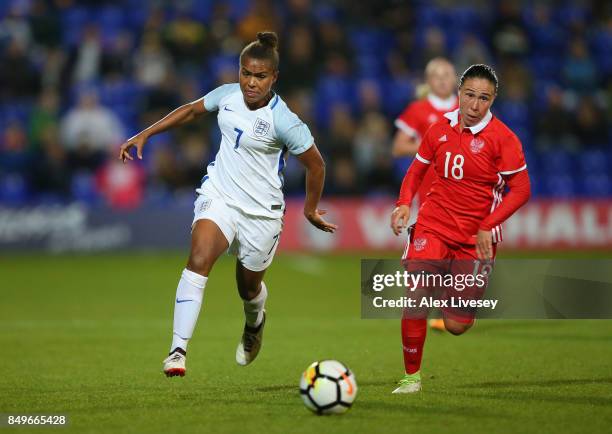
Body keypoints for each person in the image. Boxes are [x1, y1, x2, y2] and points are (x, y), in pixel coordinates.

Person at [119, 31, 337, 377]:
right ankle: (177, 351)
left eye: (260, 76)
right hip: (220, 195)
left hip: (262, 213)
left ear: (274, 78)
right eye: (246, 73)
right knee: (200, 258)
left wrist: (309, 209)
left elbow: (316, 165)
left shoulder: (286, 121)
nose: (251, 82)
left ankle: (255, 323)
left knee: (248, 288)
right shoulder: (227, 95)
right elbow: (191, 111)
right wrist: (146, 132)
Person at [389, 64, 531, 393]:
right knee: (416, 297)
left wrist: (488, 225)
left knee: (455, 325)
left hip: (476, 237)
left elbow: (522, 191)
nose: (475, 104)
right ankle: (411, 377)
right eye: (469, 95)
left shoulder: (504, 140)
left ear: (493, 99)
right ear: (459, 93)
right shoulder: (439, 129)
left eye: (484, 98)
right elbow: (416, 171)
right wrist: (402, 203)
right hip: (433, 224)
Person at [391, 57, 458, 332]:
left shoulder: (466, 108)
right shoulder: (418, 110)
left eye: (447, 74)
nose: (442, 79)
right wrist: (432, 146)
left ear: (455, 80)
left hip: (461, 191)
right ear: (428, 81)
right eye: (437, 75)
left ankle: (451, 308)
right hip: (428, 193)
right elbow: (398, 147)